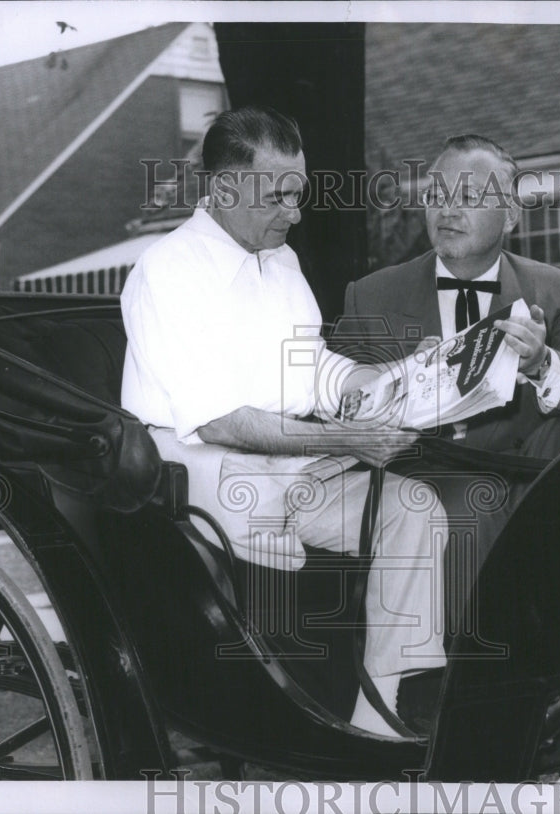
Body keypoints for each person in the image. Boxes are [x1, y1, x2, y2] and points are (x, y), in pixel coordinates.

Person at [120, 106, 445, 738]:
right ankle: (288, 719)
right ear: (223, 188)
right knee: (274, 530)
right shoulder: (167, 272)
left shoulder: (283, 263)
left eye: (298, 195)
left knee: (416, 507)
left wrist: (391, 382)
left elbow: (313, 369)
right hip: (200, 482)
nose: (295, 214)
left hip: (290, 466)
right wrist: (345, 437)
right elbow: (217, 422)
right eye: (280, 198)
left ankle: (380, 717)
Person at [340, 134, 560, 629]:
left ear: (511, 216)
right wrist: (402, 382)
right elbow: (335, 408)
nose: (447, 210)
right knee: (471, 502)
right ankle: (472, 679)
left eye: (469, 197)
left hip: (528, 469)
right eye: (437, 195)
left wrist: (540, 362)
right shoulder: (372, 296)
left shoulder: (556, 293)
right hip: (430, 470)